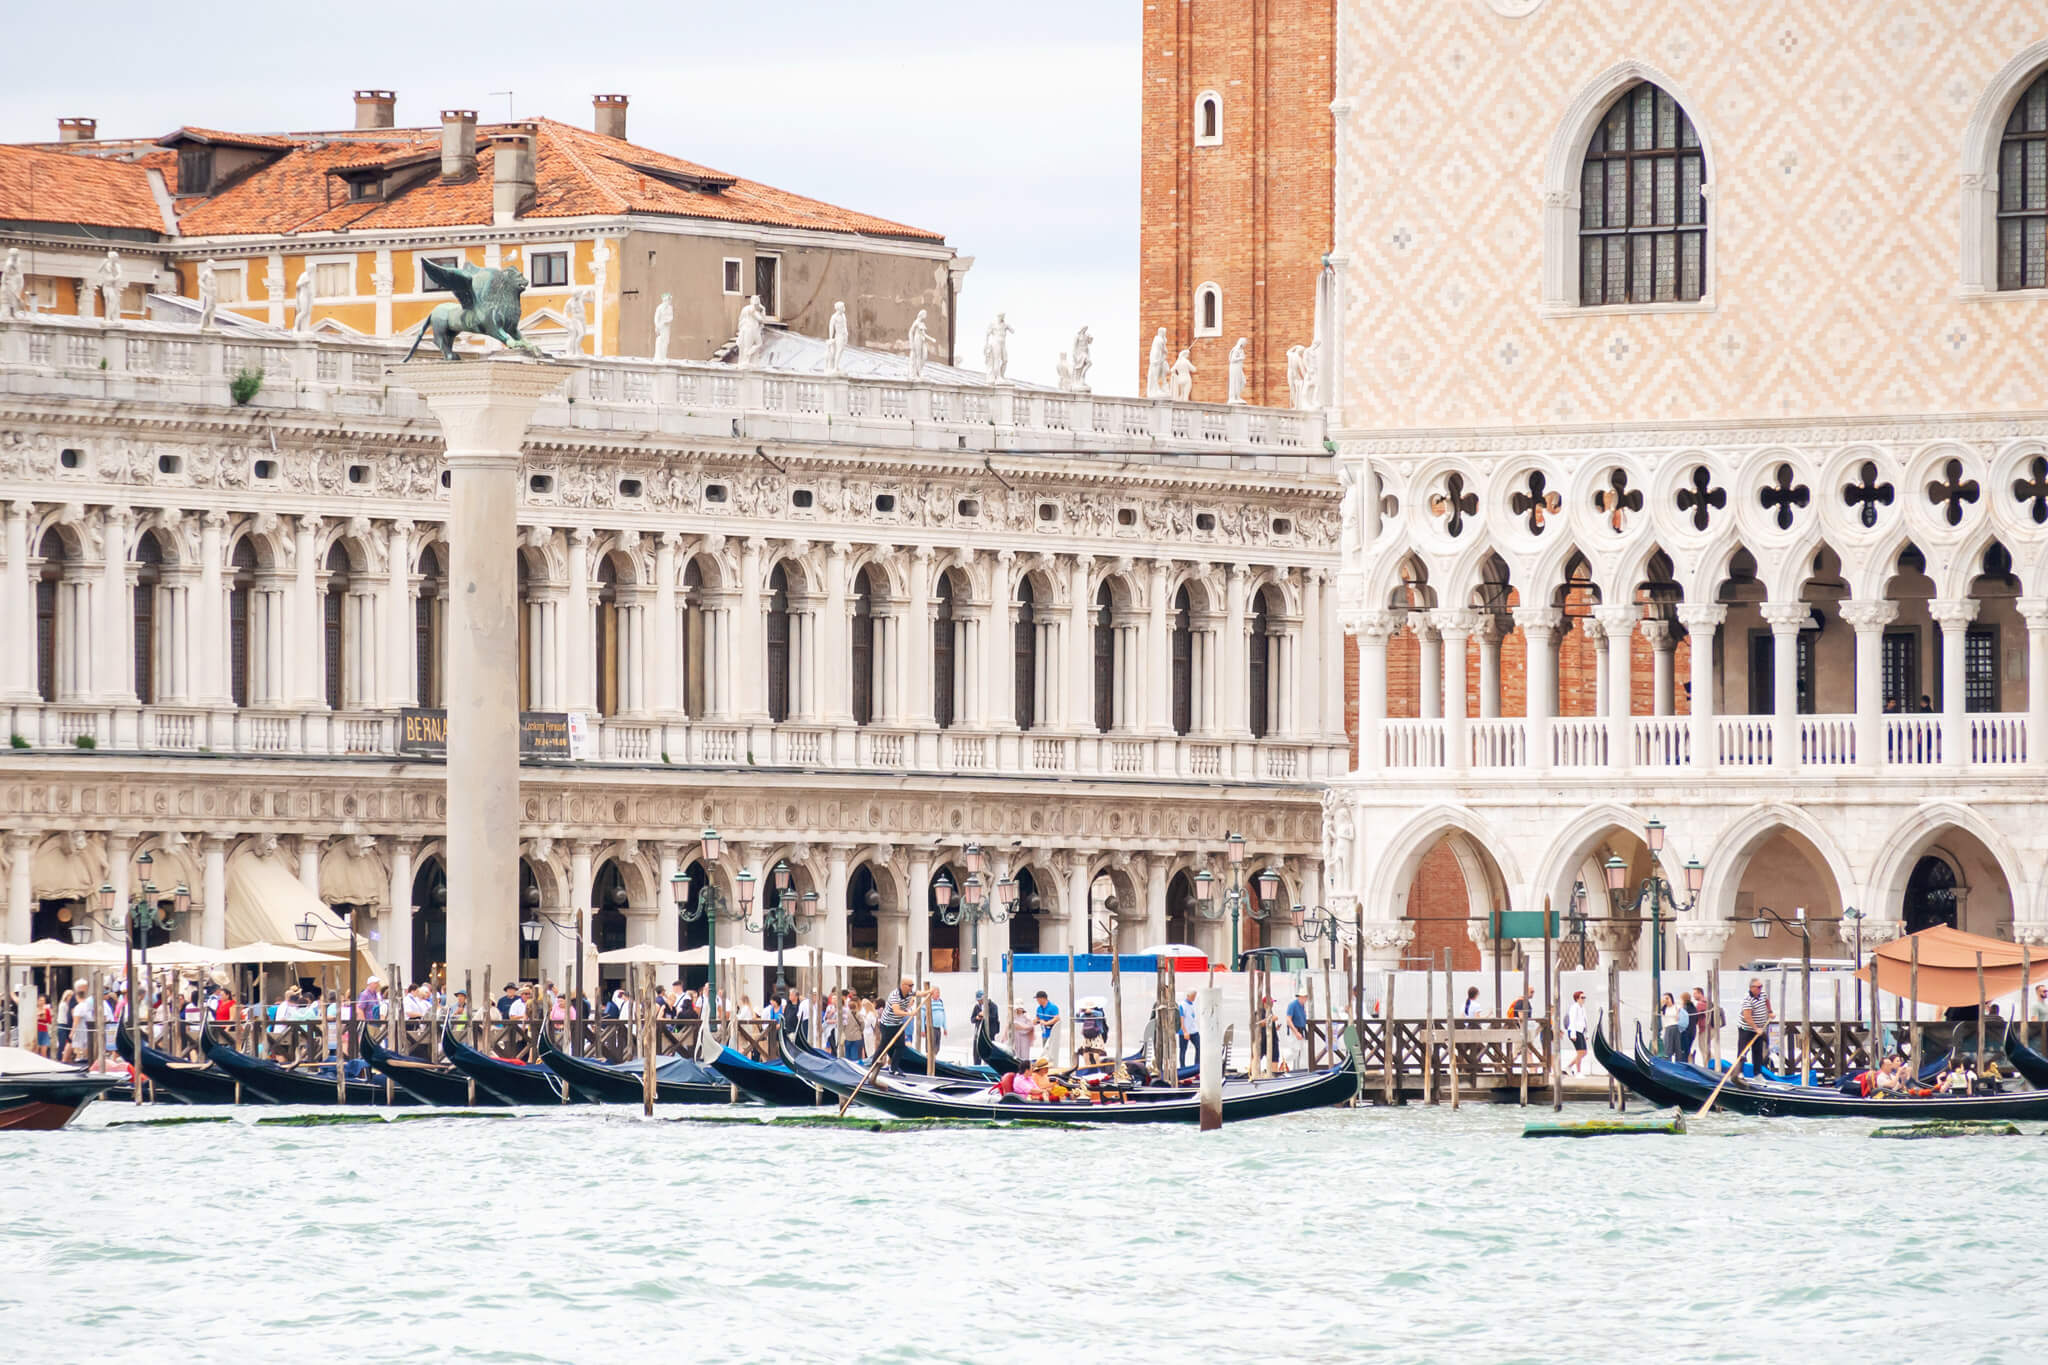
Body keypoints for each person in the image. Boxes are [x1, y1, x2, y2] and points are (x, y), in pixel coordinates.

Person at [1736, 978, 1772, 1076]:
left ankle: (1757, 1074)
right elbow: (1747, 1016)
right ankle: (1739, 1073)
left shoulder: (1763, 994)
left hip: (1759, 1029)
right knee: (1743, 1051)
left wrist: (1770, 1012)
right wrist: (1756, 1028)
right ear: (1752, 988)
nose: (1760, 989)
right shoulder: (1747, 999)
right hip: (1746, 1029)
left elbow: (1766, 1001)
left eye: (1761, 987)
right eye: (1758, 987)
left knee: (1757, 1051)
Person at [1284, 989, 1312, 1071]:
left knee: (1303, 1051)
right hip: (1295, 1030)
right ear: (1300, 997)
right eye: (1303, 997)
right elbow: (1288, 1020)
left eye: (1306, 997)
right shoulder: (1293, 1005)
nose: (1305, 999)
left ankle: (1304, 1069)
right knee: (1294, 1051)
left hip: (1301, 1030)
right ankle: (1283, 1061)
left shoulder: (1302, 1005)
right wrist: (1296, 1032)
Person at [1563, 990, 1589, 1075]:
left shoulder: (1582, 1008)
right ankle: (1578, 1072)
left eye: (1584, 997)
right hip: (1574, 1031)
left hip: (1580, 1031)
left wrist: (1586, 1033)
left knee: (1584, 1052)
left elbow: (1585, 1021)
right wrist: (1573, 1034)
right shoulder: (1574, 1007)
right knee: (1580, 1052)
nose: (1583, 999)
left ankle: (1569, 1067)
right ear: (1577, 999)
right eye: (1582, 997)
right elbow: (1573, 1021)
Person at [1033, 991, 1060, 1057]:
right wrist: (1035, 1021)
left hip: (1052, 1034)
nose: (1037, 1001)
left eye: (1038, 999)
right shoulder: (1039, 1008)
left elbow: (1057, 1018)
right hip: (1044, 1034)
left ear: (1043, 998)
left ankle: (1052, 1066)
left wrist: (1046, 1023)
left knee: (1052, 1053)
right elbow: (1037, 1018)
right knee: (1045, 1052)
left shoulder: (1053, 1007)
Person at [1178, 989, 1200, 1067]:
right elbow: (1181, 1019)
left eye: (1195, 996)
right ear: (1188, 996)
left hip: (1193, 1030)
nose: (1194, 998)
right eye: (1193, 996)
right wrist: (1184, 1031)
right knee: (1183, 1050)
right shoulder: (1182, 1005)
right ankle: (1183, 1067)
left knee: (1199, 1047)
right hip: (1184, 1031)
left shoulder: (1193, 1005)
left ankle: (1197, 1066)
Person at [1659, 992, 1683, 1059]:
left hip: (1675, 1027)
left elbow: (1678, 1017)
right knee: (1668, 1048)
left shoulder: (1676, 1007)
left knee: (1677, 1048)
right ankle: (1668, 1062)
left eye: (1667, 998)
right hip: (1668, 1028)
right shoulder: (1663, 1008)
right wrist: (1662, 1002)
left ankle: (1679, 1063)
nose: (1666, 1000)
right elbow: (1658, 1012)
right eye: (1665, 998)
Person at [927, 986, 947, 1057]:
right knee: (931, 1047)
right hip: (931, 1027)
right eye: (937, 992)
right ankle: (929, 1060)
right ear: (932, 994)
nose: (938, 994)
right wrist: (923, 1029)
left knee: (937, 1047)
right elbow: (923, 1015)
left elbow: (944, 1015)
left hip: (938, 1027)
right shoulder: (928, 1002)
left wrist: (945, 1028)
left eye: (939, 992)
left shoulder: (940, 1002)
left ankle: (934, 1060)